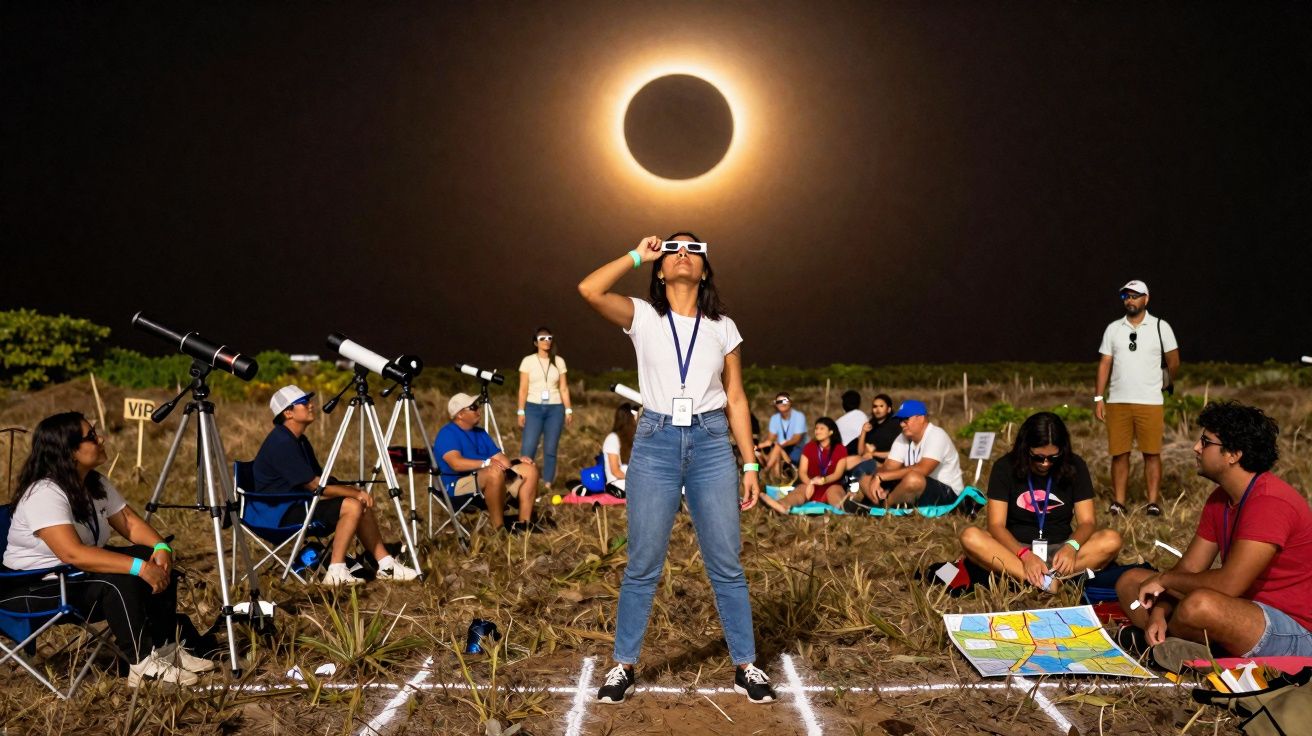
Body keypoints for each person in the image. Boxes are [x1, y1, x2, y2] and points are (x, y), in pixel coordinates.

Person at [579, 232, 776, 705]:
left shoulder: (723, 327)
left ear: (704, 270)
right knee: (643, 563)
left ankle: (746, 665)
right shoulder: (644, 316)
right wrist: (634, 254)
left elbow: (736, 397)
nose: (682, 253)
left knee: (726, 564)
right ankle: (623, 664)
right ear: (661, 269)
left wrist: (749, 461)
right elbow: (588, 290)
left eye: (693, 248)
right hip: (655, 441)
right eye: (673, 249)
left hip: (711, 442)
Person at [1, 412, 212, 686]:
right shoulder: (44, 493)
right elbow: (73, 554)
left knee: (150, 557)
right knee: (121, 577)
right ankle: (142, 664)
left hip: (71, 575)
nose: (100, 439)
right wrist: (139, 568)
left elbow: (128, 522)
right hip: (31, 587)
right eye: (91, 436)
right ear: (69, 450)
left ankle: (165, 649)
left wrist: (160, 548)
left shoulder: (94, 482)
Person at [1115, 401, 1312, 659]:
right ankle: (1168, 639)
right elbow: (1189, 569)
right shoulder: (1221, 498)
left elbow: (1229, 584)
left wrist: (1163, 580)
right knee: (1130, 583)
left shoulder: (1269, 502)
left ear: (1233, 454)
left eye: (1206, 442)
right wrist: (1161, 610)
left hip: (1291, 629)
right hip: (1242, 607)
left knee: (1199, 606)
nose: (1196, 447)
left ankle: (1166, 644)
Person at [253, 385, 421, 587]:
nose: (311, 405)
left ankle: (386, 564)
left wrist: (351, 490)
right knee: (352, 504)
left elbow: (321, 478)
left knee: (357, 502)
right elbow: (315, 486)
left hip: (295, 504)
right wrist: (354, 492)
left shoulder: (299, 440)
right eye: (304, 403)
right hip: (278, 513)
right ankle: (336, 571)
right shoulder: (282, 443)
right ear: (288, 412)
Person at [959, 412, 1122, 591]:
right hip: (1016, 551)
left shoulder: (1076, 465)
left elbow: (1087, 522)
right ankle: (1047, 583)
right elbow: (996, 525)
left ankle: (1040, 580)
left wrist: (1072, 547)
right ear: (1025, 447)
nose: (1045, 463)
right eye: (1038, 457)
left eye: (1053, 457)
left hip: (1061, 550)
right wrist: (1025, 555)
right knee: (970, 537)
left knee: (1111, 539)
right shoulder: (1004, 467)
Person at [1094, 279, 1180, 516]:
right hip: (1118, 401)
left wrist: (1165, 381)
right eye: (1126, 296)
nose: (1130, 300)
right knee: (1119, 453)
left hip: (1150, 401)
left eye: (1135, 295)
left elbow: (1173, 361)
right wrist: (1098, 398)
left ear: (1146, 298)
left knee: (1151, 453)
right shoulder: (1114, 328)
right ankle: (1119, 502)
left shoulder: (1161, 326)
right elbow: (1105, 363)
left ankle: (1152, 502)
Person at [433, 392, 541, 533]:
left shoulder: (480, 433)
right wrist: (485, 463)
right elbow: (456, 463)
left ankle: (524, 525)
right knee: (493, 473)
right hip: (456, 486)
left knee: (529, 470)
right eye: (473, 407)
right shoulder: (447, 433)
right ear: (460, 414)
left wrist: (518, 461)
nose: (479, 409)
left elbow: (502, 462)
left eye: (477, 405)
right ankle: (498, 529)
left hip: (486, 478)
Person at [859, 400, 964, 509]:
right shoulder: (903, 437)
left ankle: (883, 507)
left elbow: (922, 470)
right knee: (863, 470)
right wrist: (875, 479)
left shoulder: (937, 435)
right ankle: (874, 501)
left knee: (914, 479)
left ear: (921, 418)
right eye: (900, 420)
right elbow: (888, 468)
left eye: (906, 419)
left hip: (948, 493)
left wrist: (881, 478)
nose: (901, 424)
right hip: (920, 489)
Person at [516, 326, 574, 490]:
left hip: (555, 408)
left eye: (549, 338)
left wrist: (568, 409)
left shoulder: (559, 361)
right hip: (533, 407)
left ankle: (547, 483)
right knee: (529, 446)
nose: (546, 341)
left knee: (550, 447)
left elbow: (563, 388)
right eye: (542, 338)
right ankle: (523, 480)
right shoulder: (528, 361)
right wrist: (520, 411)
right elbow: (523, 388)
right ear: (535, 342)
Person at [760, 418, 849, 514]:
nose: (817, 431)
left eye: (821, 428)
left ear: (831, 432)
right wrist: (810, 483)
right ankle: (781, 505)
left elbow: (838, 474)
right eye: (816, 428)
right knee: (798, 493)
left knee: (835, 493)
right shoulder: (809, 447)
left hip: (830, 485)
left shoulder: (840, 449)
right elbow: (802, 472)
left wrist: (823, 480)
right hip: (809, 484)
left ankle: (844, 508)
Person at [844, 393, 900, 476]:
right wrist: (863, 432)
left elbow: (898, 453)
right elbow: (861, 452)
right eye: (875, 406)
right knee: (844, 462)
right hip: (868, 460)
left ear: (888, 409)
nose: (877, 409)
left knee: (859, 466)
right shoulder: (871, 425)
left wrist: (873, 454)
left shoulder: (896, 425)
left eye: (881, 406)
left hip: (887, 464)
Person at [757, 392, 806, 477]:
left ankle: (766, 471)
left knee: (777, 448)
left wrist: (781, 444)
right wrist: (759, 445)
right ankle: (777, 478)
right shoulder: (774, 418)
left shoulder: (799, 416)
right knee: (774, 450)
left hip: (797, 448)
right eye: (778, 402)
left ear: (790, 402)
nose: (782, 404)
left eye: (784, 401)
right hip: (781, 448)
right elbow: (770, 439)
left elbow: (796, 439)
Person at [602, 402, 637, 496]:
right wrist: (635, 480)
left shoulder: (630, 439)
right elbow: (615, 470)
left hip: (626, 481)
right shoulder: (612, 438)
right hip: (616, 484)